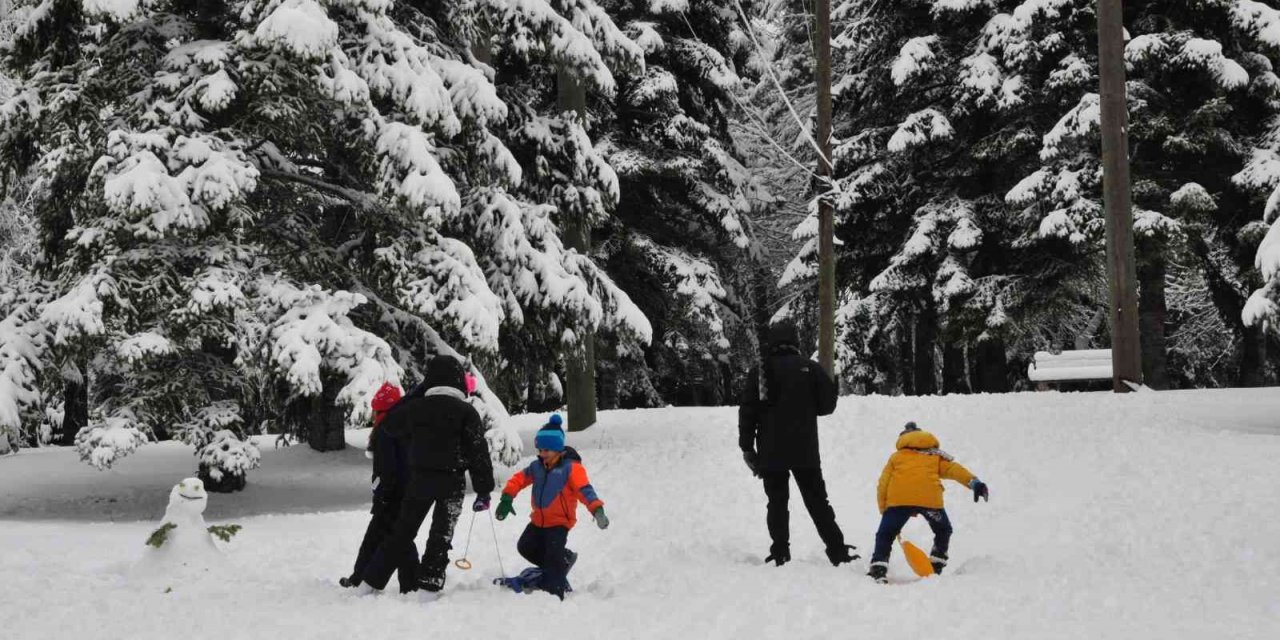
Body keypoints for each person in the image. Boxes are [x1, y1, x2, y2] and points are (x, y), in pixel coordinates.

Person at [360, 355, 496, 593]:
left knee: (402, 532)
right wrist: (483, 488)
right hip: (452, 483)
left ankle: (371, 582)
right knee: (441, 536)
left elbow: (389, 425)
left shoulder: (416, 408)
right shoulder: (467, 412)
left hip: (419, 480)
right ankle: (429, 583)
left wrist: (414, 396)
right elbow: (478, 452)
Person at [738, 320, 857, 567]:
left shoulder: (761, 371)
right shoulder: (810, 368)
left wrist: (747, 448)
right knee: (817, 502)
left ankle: (780, 552)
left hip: (771, 451)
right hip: (806, 451)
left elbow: (748, 412)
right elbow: (827, 407)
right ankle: (837, 551)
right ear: (796, 341)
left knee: (777, 503)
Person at [495, 415, 609, 600]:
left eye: (546, 450)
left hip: (559, 523)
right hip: (538, 520)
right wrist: (507, 497)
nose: (542, 454)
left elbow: (584, 490)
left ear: (557, 448)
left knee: (552, 559)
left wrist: (597, 509)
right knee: (525, 546)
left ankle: (555, 591)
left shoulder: (571, 468)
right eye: (540, 450)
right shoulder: (537, 466)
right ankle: (560, 563)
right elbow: (519, 479)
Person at [868, 421, 989, 583]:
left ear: (903, 439)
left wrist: (884, 509)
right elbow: (954, 470)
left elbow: (883, 483)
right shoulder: (934, 454)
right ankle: (937, 562)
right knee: (943, 529)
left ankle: (878, 568)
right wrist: (975, 484)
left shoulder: (896, 457)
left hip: (899, 500)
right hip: (929, 500)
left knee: (886, 534)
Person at [340, 381, 410, 590]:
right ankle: (408, 581)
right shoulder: (404, 425)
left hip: (391, 496)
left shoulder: (385, 429)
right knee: (396, 537)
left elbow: (386, 468)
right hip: (403, 493)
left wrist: (382, 495)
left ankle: (361, 578)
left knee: (380, 538)